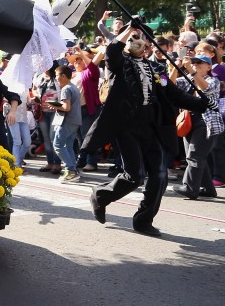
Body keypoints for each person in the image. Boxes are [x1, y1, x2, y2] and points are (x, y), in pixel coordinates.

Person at [85, 24, 208, 237]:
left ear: (147, 47)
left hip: (152, 127)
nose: (137, 42)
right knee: (134, 176)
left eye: (139, 39)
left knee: (159, 175)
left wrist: (202, 104)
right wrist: (128, 28)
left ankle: (143, 220)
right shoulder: (119, 64)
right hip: (127, 127)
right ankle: (101, 196)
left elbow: (174, 95)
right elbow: (113, 49)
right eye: (132, 39)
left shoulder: (156, 69)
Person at [171, 55, 221, 199]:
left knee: (195, 156)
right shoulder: (187, 79)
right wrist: (175, 67)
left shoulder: (213, 81)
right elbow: (169, 84)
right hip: (189, 121)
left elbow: (205, 88)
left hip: (206, 121)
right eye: (193, 62)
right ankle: (208, 189)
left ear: (209, 67)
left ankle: (190, 188)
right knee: (194, 157)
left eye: (200, 63)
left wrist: (191, 72)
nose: (195, 64)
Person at [49, 65, 83, 182]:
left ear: (63, 76)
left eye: (57, 75)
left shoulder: (66, 89)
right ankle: (73, 171)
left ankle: (71, 170)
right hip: (75, 120)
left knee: (57, 145)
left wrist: (54, 105)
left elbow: (66, 107)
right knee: (68, 147)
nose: (56, 78)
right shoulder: (73, 87)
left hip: (66, 121)